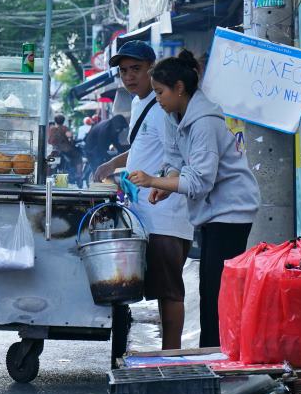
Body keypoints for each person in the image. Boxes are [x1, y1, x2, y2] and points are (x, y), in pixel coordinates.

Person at [129, 50, 260, 349]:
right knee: (209, 288)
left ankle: (217, 353)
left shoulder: (204, 122)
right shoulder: (173, 115)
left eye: (161, 92)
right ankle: (212, 351)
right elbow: (174, 158)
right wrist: (166, 181)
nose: (157, 98)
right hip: (211, 212)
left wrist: (153, 180)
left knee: (217, 289)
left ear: (179, 88)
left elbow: (200, 180)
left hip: (232, 211)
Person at [94, 41, 193, 350]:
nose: (129, 77)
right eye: (123, 71)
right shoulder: (140, 104)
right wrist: (114, 163)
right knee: (160, 289)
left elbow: (177, 156)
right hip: (145, 214)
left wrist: (161, 185)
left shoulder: (163, 105)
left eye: (136, 69)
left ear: (152, 68)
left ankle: (171, 355)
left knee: (169, 291)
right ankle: (168, 352)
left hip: (166, 213)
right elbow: (143, 148)